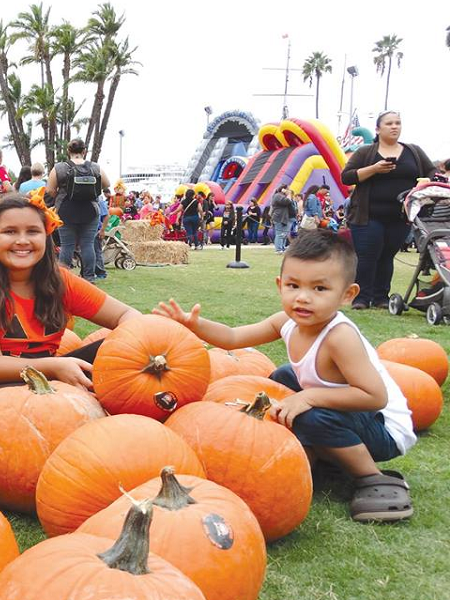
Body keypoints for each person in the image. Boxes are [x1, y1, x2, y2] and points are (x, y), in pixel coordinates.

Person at [154, 229, 416, 523]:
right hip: (351, 412)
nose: (303, 298)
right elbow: (232, 336)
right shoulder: (287, 322)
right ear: (281, 285)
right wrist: (195, 325)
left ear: (347, 295)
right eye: (294, 285)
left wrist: (310, 396)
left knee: (310, 414)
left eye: (320, 289)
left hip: (384, 429)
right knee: (283, 377)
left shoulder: (339, 337)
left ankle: (373, 478)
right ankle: (317, 450)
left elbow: (373, 396)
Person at [0, 195, 140, 398]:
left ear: (46, 237)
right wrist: (53, 367)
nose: (22, 240)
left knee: (123, 349)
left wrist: (155, 333)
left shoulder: (59, 280)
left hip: (46, 375)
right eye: (10, 231)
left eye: (33, 231)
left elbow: (125, 315)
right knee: (49, 406)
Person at [340, 110, 435, 310]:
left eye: (398, 123)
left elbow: (432, 172)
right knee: (367, 256)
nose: (394, 127)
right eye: (389, 123)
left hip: (400, 216)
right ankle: (361, 297)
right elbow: (347, 177)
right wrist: (374, 169)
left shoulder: (413, 151)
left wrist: (426, 183)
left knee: (387, 256)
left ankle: (381, 296)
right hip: (367, 215)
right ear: (378, 128)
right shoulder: (366, 152)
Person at [46, 138, 110, 281]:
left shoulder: (59, 168)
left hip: (66, 210)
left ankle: (63, 278)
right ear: (84, 151)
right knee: (87, 244)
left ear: (68, 151)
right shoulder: (95, 167)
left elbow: (49, 190)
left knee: (67, 245)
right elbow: (106, 184)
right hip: (90, 210)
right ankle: (89, 278)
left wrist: (60, 196)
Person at [270, 185, 293, 253]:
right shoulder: (278, 196)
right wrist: (289, 194)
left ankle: (282, 248)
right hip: (279, 217)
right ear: (283, 189)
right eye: (287, 189)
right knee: (279, 234)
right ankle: (278, 249)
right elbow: (288, 201)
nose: (289, 191)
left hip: (282, 217)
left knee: (283, 234)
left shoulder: (280, 196)